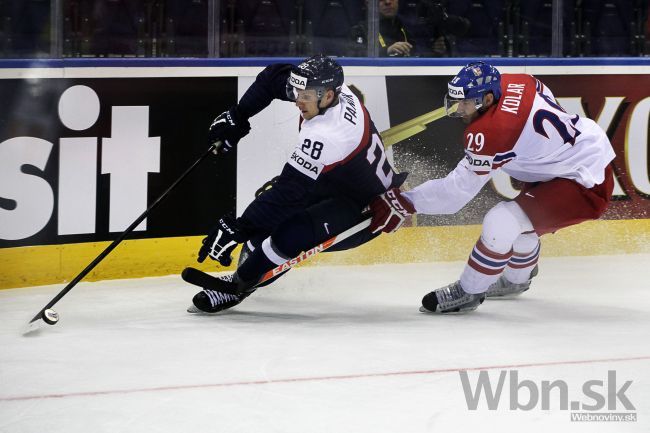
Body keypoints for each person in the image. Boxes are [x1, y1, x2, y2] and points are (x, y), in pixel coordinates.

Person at [368, 61, 615, 314]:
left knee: (502, 221)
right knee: (523, 226)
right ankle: (516, 280)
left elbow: (455, 194)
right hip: (570, 159)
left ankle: (469, 291)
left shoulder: (493, 131)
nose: (460, 109)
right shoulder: (515, 81)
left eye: (466, 103)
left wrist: (407, 201)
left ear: (487, 99)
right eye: (457, 101)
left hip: (583, 181)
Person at [190, 54, 405, 313]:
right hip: (341, 182)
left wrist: (239, 227)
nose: (297, 100)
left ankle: (239, 286)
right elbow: (271, 78)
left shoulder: (328, 134)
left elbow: (289, 193)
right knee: (264, 219)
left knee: (290, 233)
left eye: (305, 96)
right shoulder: (330, 91)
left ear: (327, 96)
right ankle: (250, 271)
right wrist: (238, 116)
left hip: (369, 207)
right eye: (297, 92)